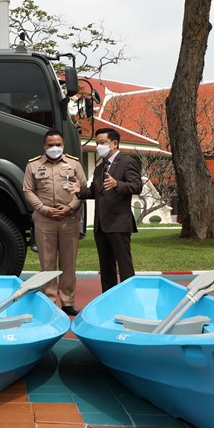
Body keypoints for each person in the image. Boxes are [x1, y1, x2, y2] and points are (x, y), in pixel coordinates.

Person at [23, 129, 86, 316]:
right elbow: (28, 191)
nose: (55, 148)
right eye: (51, 145)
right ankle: (49, 301)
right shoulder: (33, 165)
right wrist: (44, 209)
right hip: (44, 219)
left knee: (68, 263)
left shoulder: (73, 163)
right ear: (44, 146)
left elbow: (82, 189)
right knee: (47, 262)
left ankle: (68, 302)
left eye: (58, 145)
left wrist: (71, 207)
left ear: (63, 145)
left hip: (69, 218)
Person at [72, 128, 142, 293]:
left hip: (118, 223)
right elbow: (94, 192)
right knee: (106, 268)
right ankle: (108, 299)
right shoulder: (100, 168)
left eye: (102, 143)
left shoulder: (127, 162)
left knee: (124, 267)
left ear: (114, 143)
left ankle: (129, 298)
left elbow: (137, 186)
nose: (98, 147)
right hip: (100, 226)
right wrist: (78, 190)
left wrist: (118, 184)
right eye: (97, 143)